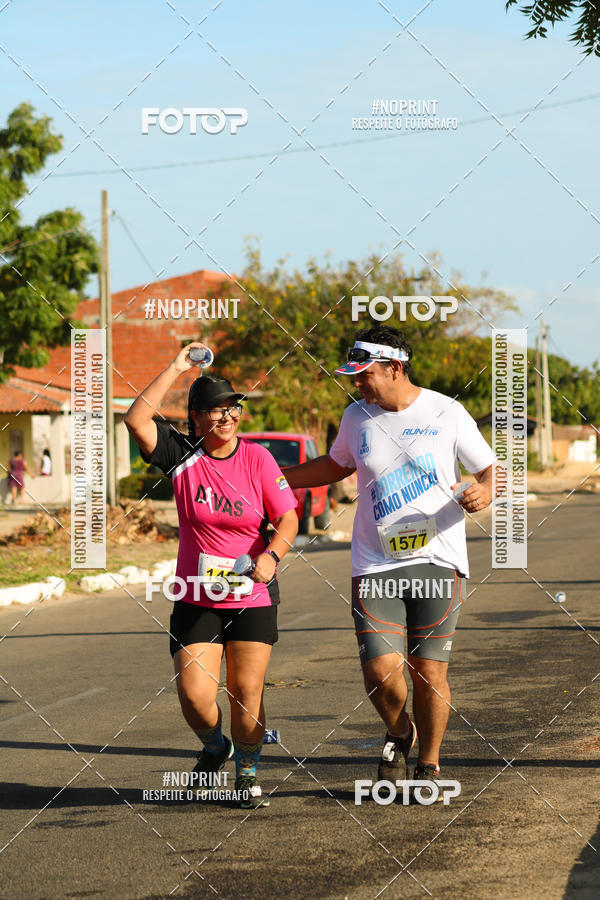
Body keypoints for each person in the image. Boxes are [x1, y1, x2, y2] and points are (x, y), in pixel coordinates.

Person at [285, 325, 497, 797]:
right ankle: (400, 731)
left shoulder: (447, 411)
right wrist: (278, 479)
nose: (357, 384)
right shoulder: (356, 417)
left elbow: (489, 467)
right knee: (380, 671)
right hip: (374, 563)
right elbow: (336, 466)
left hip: (438, 560)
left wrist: (486, 490)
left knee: (430, 672)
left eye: (364, 375)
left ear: (394, 368)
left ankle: (429, 763)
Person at [125, 342, 298, 808]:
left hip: (251, 594)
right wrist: (177, 366)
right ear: (195, 419)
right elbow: (136, 420)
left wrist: (273, 556)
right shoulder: (182, 458)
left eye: (232, 409)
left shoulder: (258, 459)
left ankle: (246, 772)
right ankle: (214, 746)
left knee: (246, 692)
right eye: (215, 411)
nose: (227, 418)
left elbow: (288, 519)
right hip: (196, 595)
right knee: (195, 697)